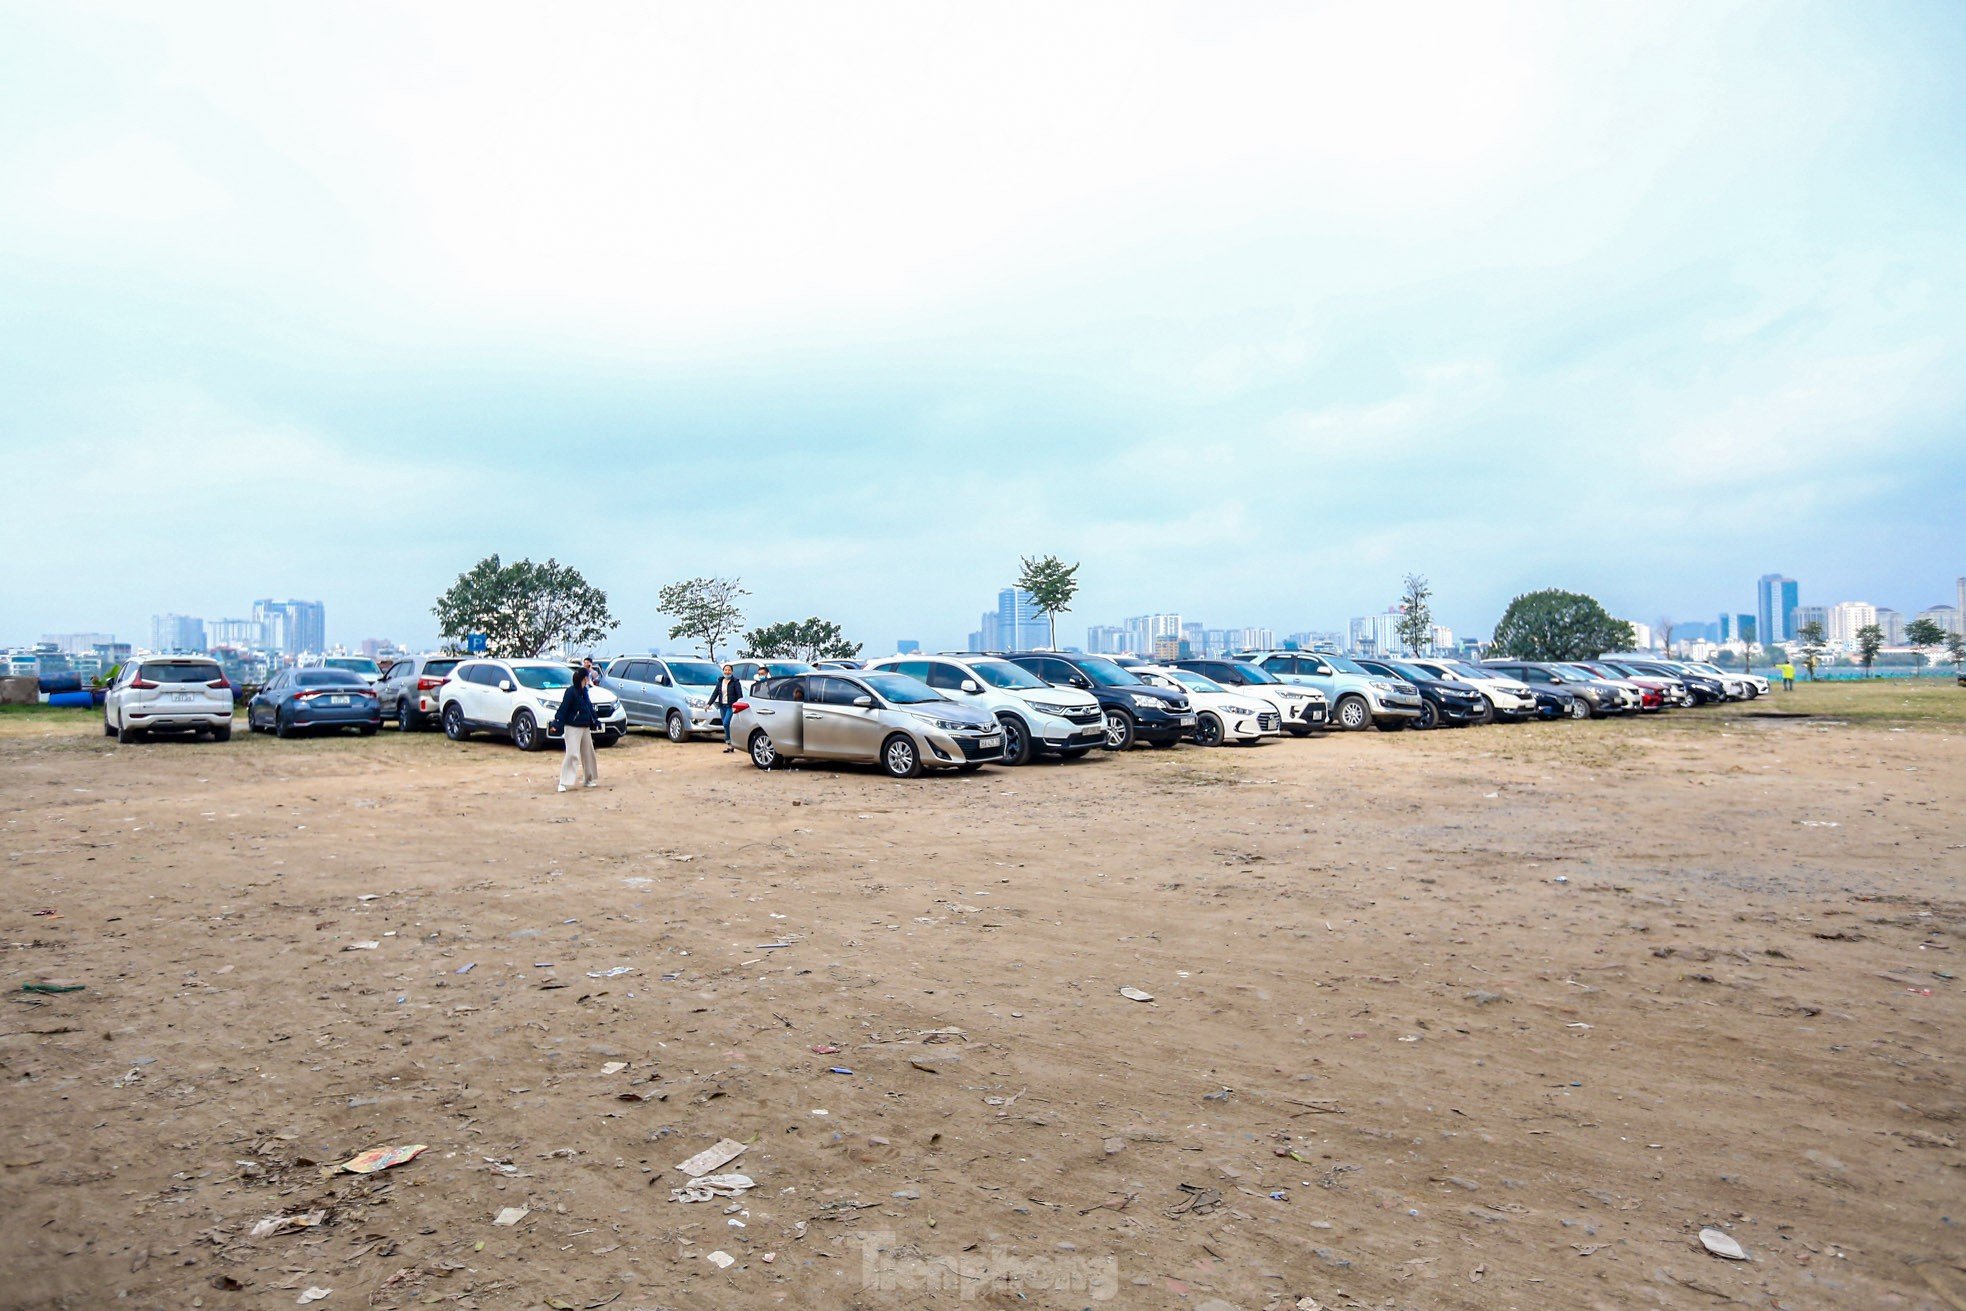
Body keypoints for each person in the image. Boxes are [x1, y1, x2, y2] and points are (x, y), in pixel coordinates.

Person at [554, 666, 601, 791]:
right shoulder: (571, 692)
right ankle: (563, 782)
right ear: (585, 678)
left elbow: (589, 708)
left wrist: (595, 720)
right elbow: (563, 708)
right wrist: (557, 723)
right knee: (572, 754)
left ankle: (589, 779)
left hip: (585, 726)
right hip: (572, 727)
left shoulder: (584, 692)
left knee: (588, 753)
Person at [709, 662, 744, 752]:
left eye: (729, 670)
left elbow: (739, 695)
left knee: (726, 723)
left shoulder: (735, 682)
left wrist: (739, 705)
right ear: (723, 671)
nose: (727, 672)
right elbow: (715, 693)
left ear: (732, 672)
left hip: (731, 706)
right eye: (725, 670)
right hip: (722, 706)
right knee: (726, 726)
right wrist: (709, 704)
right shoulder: (720, 682)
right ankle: (730, 745)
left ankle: (729, 741)